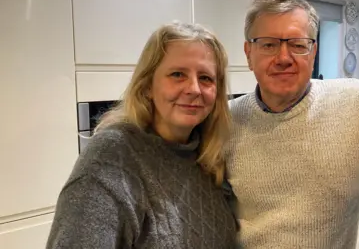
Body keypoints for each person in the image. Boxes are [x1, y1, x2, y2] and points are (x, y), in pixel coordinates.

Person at [225, 0, 359, 248]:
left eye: (298, 44)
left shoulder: (356, 103)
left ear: (313, 53)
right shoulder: (225, 121)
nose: (283, 58)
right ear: (248, 53)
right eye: (268, 44)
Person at [46, 22, 237, 248]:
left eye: (205, 78)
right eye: (177, 74)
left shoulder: (208, 157)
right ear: (147, 86)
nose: (194, 89)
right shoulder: (113, 155)